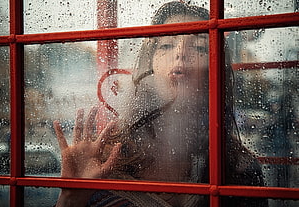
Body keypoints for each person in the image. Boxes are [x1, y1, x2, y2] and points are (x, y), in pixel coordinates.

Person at [53, 1, 267, 206]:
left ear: (215, 68)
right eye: (166, 45)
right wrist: (72, 197)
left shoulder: (237, 167)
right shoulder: (105, 157)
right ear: (150, 64)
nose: (180, 53)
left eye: (200, 48)